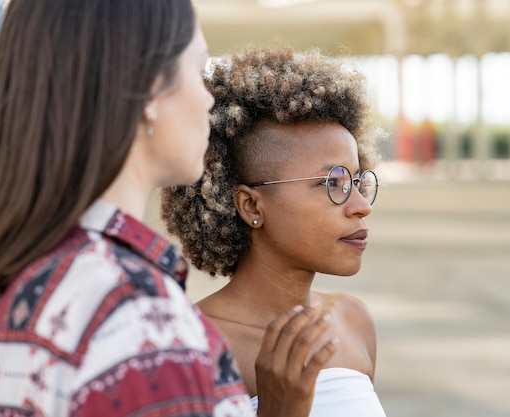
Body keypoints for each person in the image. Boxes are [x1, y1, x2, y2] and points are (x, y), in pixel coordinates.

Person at [0, 1, 337, 416]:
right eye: (198, 71)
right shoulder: (141, 324)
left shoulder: (34, 275)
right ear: (149, 89)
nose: (209, 101)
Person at [161, 43, 387, 417]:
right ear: (251, 205)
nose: (361, 206)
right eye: (332, 183)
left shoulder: (353, 321)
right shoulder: (193, 344)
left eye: (357, 180)